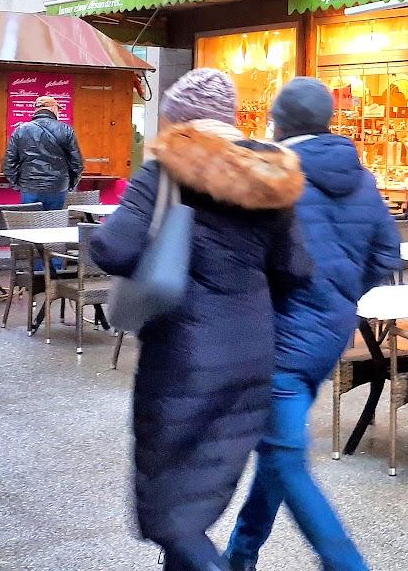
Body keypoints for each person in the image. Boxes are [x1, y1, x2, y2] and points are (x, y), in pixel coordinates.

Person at [90, 69, 310, 571]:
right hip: (252, 350)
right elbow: (297, 267)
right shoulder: (272, 175)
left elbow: (114, 247)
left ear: (182, 119)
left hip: (182, 355)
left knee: (171, 507)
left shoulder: (166, 168)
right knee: (197, 492)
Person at [226, 77, 401, 571]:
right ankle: (240, 556)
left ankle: (346, 565)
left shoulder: (272, 175)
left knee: (285, 457)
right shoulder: (361, 178)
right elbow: (386, 253)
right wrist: (340, 296)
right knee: (278, 451)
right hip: (327, 335)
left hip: (278, 335)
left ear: (278, 122)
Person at [2, 95, 84, 210]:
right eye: (58, 109)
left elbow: (8, 164)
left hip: (30, 186)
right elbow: (77, 164)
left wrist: (19, 185)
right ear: (53, 108)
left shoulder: (21, 130)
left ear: (37, 109)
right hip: (58, 186)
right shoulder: (65, 129)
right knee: (55, 225)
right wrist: (69, 184)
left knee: (30, 224)